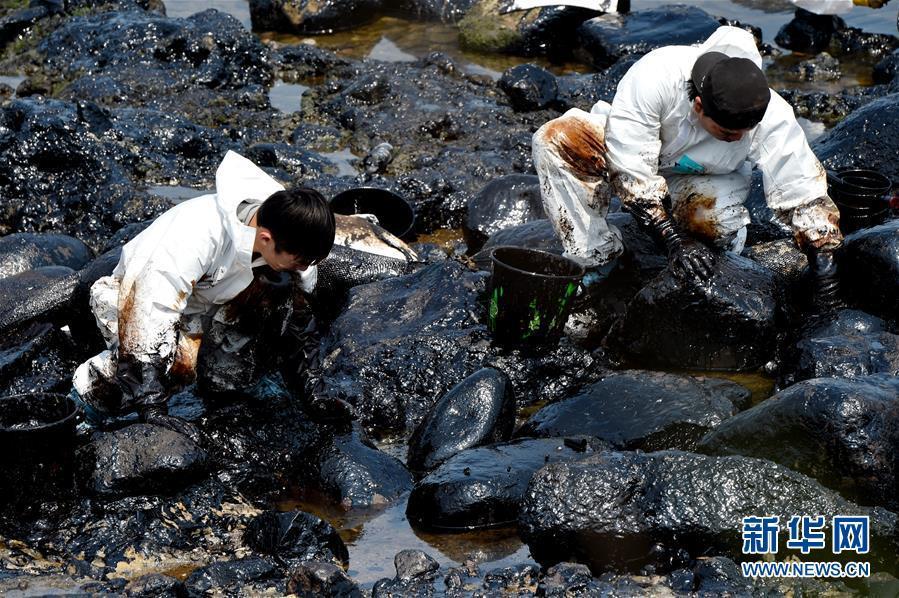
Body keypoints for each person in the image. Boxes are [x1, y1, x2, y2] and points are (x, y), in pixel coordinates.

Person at [532, 25, 843, 311]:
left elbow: (801, 186)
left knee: (713, 228)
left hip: (705, 177)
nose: (738, 139)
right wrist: (671, 237)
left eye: (744, 134)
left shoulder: (769, 110)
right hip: (635, 152)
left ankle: (708, 250)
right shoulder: (656, 75)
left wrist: (824, 269)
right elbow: (629, 162)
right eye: (727, 134)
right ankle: (596, 258)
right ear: (698, 105)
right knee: (555, 139)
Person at [72, 151, 341, 438]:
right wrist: (152, 405)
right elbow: (149, 310)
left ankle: (226, 379)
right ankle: (84, 405)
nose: (306, 267)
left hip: (209, 300)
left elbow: (299, 322)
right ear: (266, 239)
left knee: (282, 292)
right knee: (176, 364)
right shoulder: (197, 234)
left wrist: (314, 391)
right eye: (301, 260)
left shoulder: (290, 236)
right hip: (134, 295)